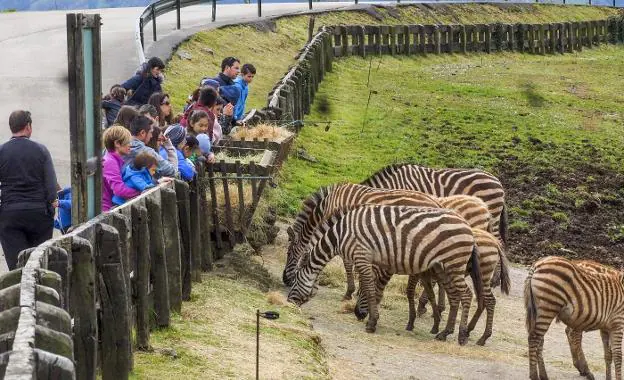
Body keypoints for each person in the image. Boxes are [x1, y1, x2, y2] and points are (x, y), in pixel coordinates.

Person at [0, 110, 58, 270]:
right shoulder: (41, 150)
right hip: (38, 213)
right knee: (38, 265)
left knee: (17, 267)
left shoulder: (2, 151)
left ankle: (18, 292)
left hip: (10, 214)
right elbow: (51, 186)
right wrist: (49, 207)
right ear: (28, 126)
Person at [102, 126, 141, 212]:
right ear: (117, 144)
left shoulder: (114, 160)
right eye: (127, 142)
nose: (130, 145)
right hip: (106, 210)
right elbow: (119, 190)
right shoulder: (110, 162)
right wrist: (141, 191)